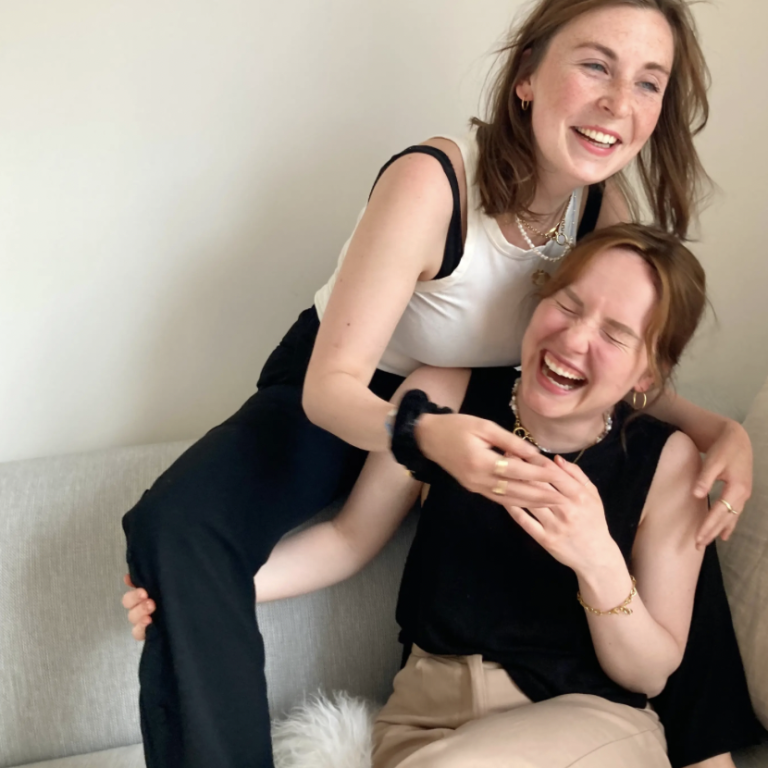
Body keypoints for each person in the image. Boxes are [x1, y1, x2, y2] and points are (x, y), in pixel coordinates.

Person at [121, 2, 755, 767]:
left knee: (666, 475)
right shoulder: (433, 182)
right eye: (596, 65)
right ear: (526, 76)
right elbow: (331, 396)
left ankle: (706, 751)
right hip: (348, 393)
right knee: (174, 531)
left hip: (461, 409)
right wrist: (426, 434)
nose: (620, 103)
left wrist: (718, 431)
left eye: (649, 82)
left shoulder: (601, 209)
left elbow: (623, 375)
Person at [126, 225, 760, 767]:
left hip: (585, 724)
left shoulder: (668, 460)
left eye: (615, 335)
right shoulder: (445, 396)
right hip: (421, 727)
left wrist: (597, 559)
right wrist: (201, 589)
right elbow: (348, 540)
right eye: (568, 305)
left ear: (649, 371)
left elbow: (650, 672)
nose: (573, 340)